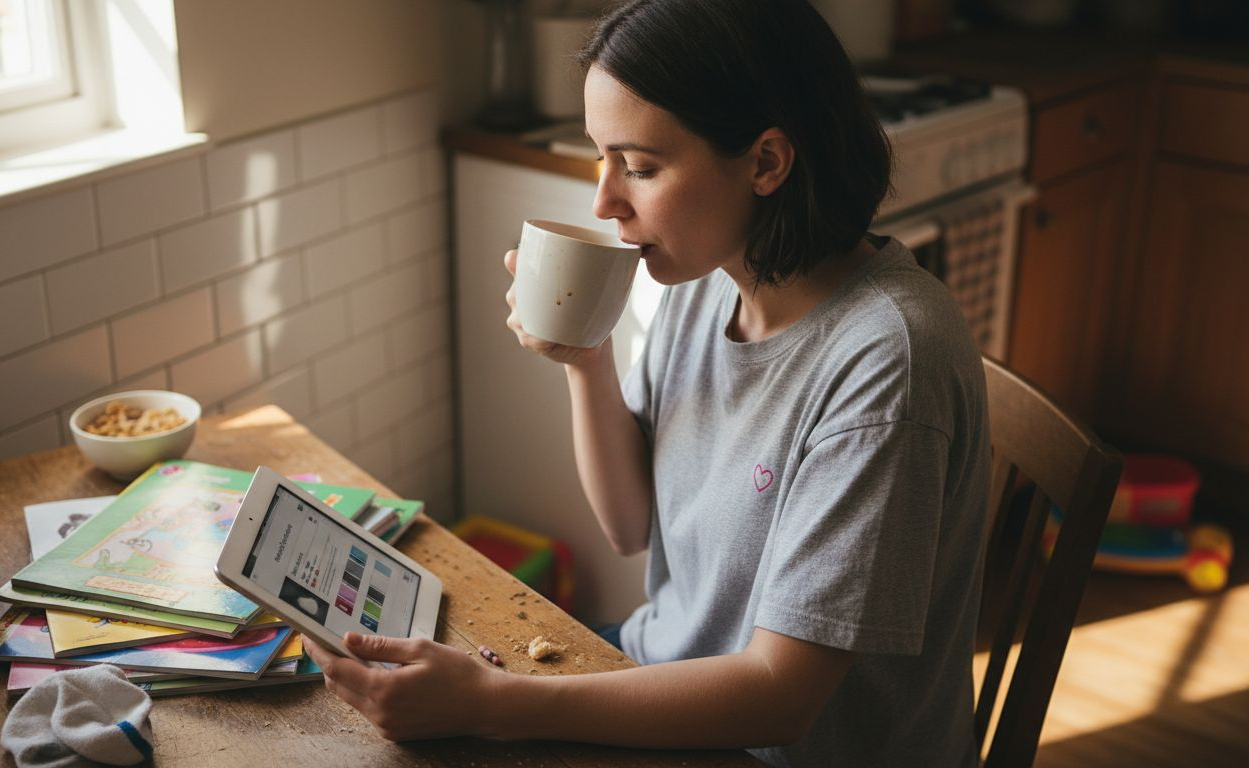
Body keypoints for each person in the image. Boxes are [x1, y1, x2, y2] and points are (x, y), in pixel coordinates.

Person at [302, 1, 991, 764]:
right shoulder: (710, 277)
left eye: (639, 166)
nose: (604, 201)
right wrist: (585, 359)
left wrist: (496, 705)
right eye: (602, 158)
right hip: (661, 674)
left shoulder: (886, 363)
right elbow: (632, 526)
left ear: (766, 162)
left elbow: (782, 698)